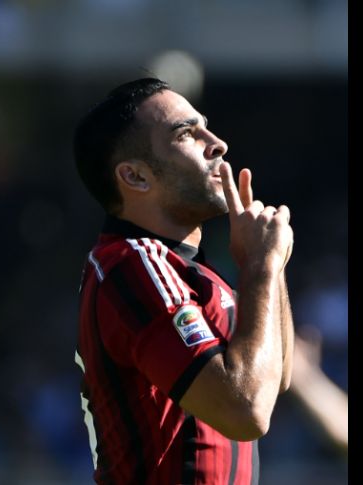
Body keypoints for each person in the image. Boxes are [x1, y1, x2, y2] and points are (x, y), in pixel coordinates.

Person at [73, 78, 294, 484]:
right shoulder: (133, 265)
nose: (217, 144)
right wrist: (260, 267)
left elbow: (274, 377)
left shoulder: (187, 270)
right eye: (186, 134)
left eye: (205, 127)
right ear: (135, 176)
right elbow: (245, 411)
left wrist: (268, 266)